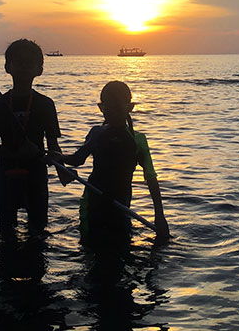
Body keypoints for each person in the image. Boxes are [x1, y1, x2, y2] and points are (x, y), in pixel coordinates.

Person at [54, 81, 170, 248]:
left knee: (121, 249)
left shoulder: (138, 141)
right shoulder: (96, 134)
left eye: (118, 107)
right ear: (101, 108)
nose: (112, 112)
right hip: (93, 203)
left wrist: (159, 216)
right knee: (90, 250)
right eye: (108, 107)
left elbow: (151, 179)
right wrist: (58, 157)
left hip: (121, 204)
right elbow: (78, 159)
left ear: (130, 107)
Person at [0, 39, 63, 237]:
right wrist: (15, 153)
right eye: (18, 62)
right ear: (7, 67)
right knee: (5, 233)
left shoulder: (46, 104)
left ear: (39, 69)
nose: (23, 67)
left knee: (38, 233)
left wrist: (59, 165)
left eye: (29, 63)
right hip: (6, 176)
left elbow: (53, 145)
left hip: (36, 176)